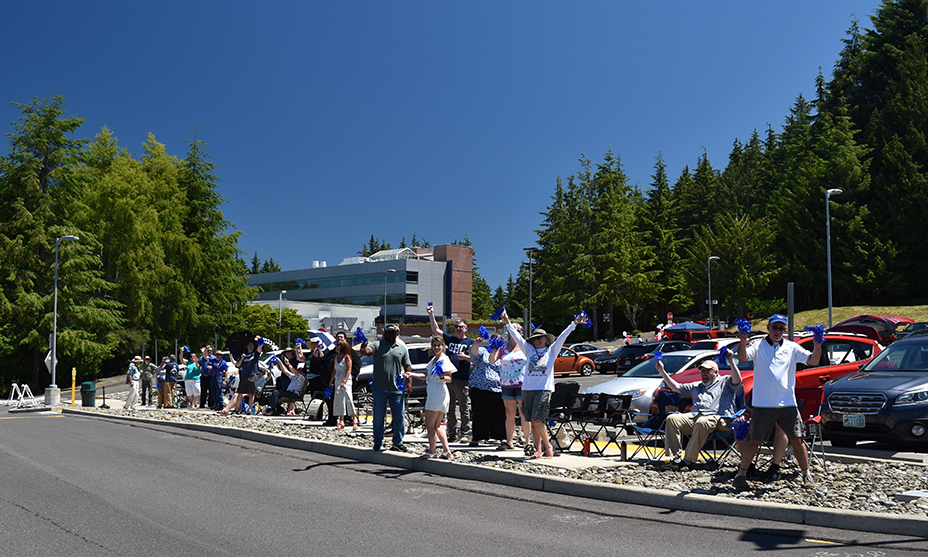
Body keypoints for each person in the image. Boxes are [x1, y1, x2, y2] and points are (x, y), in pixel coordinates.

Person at [733, 314, 822, 491]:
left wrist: (818, 345)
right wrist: (742, 340)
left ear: (785, 330)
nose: (778, 331)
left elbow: (813, 360)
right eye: (775, 327)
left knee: (797, 440)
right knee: (755, 440)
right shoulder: (758, 345)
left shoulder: (792, 347)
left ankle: (806, 475)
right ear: (768, 327)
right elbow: (742, 358)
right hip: (763, 404)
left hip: (787, 404)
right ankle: (741, 475)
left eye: (781, 328)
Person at [502, 309, 587, 459]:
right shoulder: (528, 350)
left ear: (546, 340)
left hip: (543, 389)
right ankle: (538, 450)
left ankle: (548, 448)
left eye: (539, 338)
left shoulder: (551, 351)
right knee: (532, 421)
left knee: (537, 419)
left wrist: (574, 323)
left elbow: (563, 337)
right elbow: (517, 337)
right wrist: (507, 322)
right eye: (534, 339)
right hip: (528, 389)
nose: (536, 341)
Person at [657, 357, 741, 471]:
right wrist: (662, 371)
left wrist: (730, 360)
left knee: (702, 422)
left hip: (721, 419)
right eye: (702, 371)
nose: (703, 374)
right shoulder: (696, 386)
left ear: (716, 372)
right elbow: (676, 387)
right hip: (696, 417)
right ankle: (674, 459)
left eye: (707, 371)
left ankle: (687, 461)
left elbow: (738, 380)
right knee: (672, 418)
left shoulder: (725, 382)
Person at [359, 324, 412, 452]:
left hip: (397, 389)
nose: (390, 334)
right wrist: (363, 347)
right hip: (379, 388)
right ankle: (378, 442)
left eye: (393, 332)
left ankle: (398, 442)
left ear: (397, 333)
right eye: (388, 332)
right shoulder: (377, 345)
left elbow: (408, 366)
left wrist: (409, 383)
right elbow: (366, 352)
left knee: (399, 416)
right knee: (378, 417)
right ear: (384, 333)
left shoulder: (402, 348)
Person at [427, 305, 474, 443]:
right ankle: (451, 433)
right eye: (457, 327)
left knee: (464, 407)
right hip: (448, 379)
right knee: (450, 408)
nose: (459, 329)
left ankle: (465, 432)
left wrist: (464, 357)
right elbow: (436, 330)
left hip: (462, 379)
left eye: (461, 327)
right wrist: (431, 314)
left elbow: (478, 359)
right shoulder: (451, 339)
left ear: (466, 328)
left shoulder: (470, 342)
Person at [405, 335, 456, 459]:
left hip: (438, 392)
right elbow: (425, 375)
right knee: (437, 425)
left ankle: (432, 451)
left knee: (430, 425)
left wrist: (442, 376)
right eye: (434, 345)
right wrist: (411, 374)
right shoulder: (434, 360)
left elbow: (449, 378)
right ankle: (446, 451)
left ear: (443, 346)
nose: (437, 347)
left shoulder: (444, 359)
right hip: (434, 391)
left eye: (439, 345)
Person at [491, 323, 530, 451]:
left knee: (523, 413)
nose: (513, 333)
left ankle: (528, 442)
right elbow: (492, 361)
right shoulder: (503, 348)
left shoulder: (525, 347)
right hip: (506, 383)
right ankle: (509, 441)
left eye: (517, 330)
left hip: (522, 384)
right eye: (511, 330)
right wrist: (494, 349)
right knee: (509, 413)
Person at [467, 334, 506, 447]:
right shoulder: (483, 351)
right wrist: (476, 343)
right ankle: (477, 438)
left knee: (499, 415)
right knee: (480, 414)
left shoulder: (504, 353)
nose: (496, 342)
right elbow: (474, 353)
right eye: (494, 340)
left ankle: (501, 437)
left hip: (498, 389)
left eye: (499, 340)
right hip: (480, 387)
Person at [220, 338, 264, 414]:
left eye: (252, 345)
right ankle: (237, 409)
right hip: (243, 376)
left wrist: (260, 343)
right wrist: (242, 358)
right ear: (247, 347)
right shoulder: (243, 355)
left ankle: (250, 409)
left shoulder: (255, 354)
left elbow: (259, 349)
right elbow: (237, 365)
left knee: (251, 394)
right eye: (249, 345)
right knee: (240, 393)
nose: (250, 346)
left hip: (252, 376)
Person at [330, 338, 358, 430]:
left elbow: (349, 369)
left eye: (338, 345)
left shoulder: (347, 357)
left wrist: (344, 381)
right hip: (337, 378)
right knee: (338, 399)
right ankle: (341, 420)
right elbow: (334, 369)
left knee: (348, 398)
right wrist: (331, 381)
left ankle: (354, 419)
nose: (336, 347)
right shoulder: (336, 357)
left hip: (346, 378)